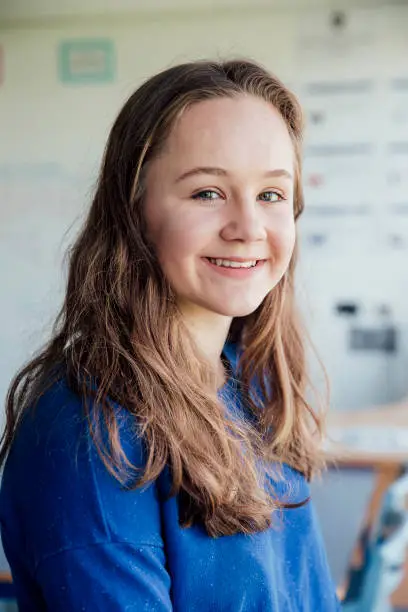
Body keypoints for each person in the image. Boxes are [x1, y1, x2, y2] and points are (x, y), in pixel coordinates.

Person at [0, 59, 340, 611]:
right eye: (207, 192)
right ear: (134, 211)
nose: (248, 228)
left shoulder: (249, 382)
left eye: (272, 195)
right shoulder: (94, 435)